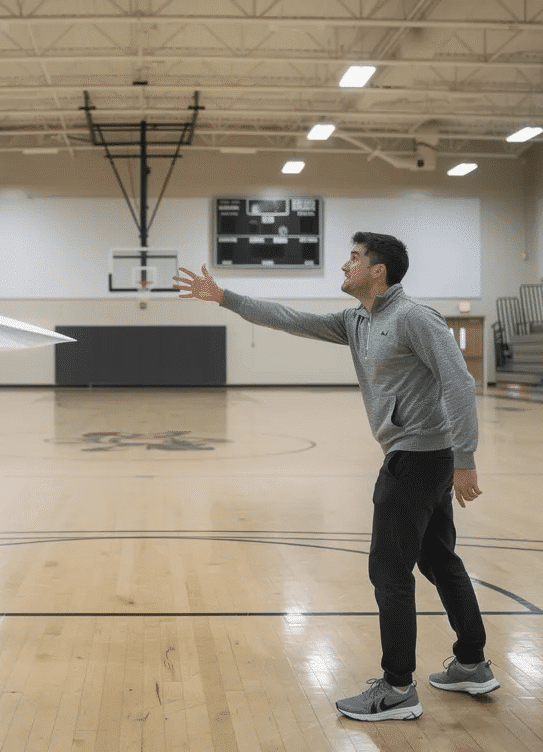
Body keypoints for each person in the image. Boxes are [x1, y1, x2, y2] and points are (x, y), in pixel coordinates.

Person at [173, 231, 498, 722]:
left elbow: (459, 380)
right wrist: (224, 297)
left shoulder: (413, 317)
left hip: (417, 460)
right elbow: (290, 319)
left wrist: (466, 458)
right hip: (420, 459)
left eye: (354, 258)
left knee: (389, 572)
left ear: (378, 271)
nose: (345, 266)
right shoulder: (357, 321)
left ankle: (397, 688)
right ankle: (472, 662)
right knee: (436, 559)